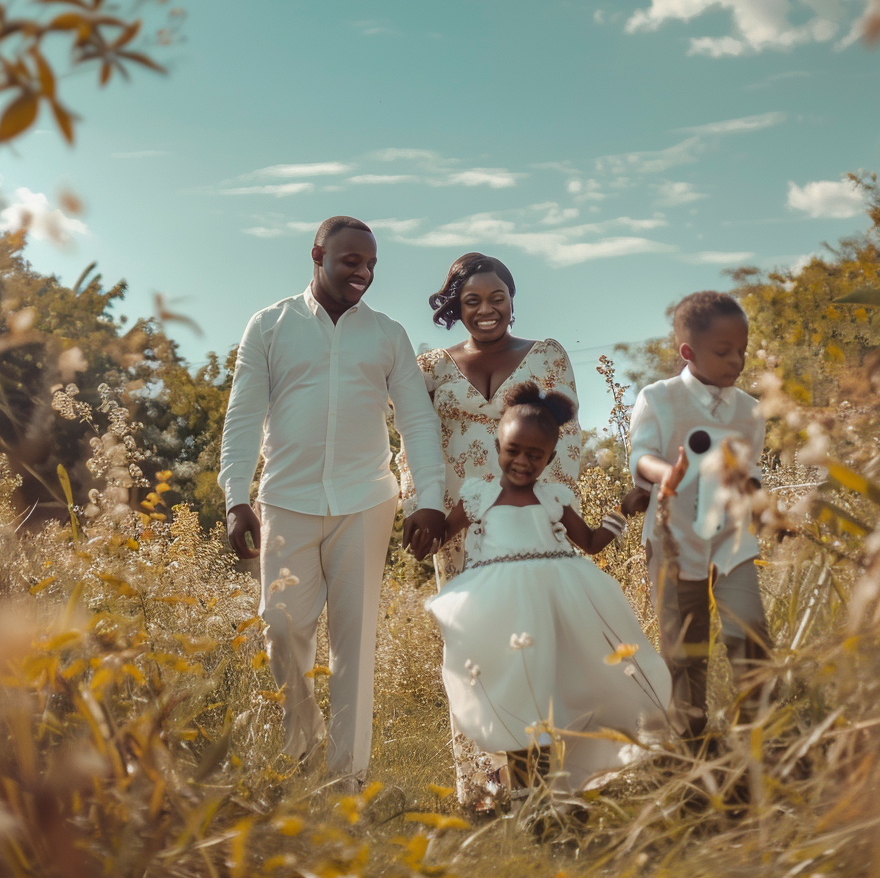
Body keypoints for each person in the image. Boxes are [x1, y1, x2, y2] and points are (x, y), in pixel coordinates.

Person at [218, 216, 446, 785]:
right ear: (318, 254)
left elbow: (417, 422)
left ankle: (347, 778)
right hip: (285, 500)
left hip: (366, 502)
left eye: (371, 264)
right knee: (281, 626)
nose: (364, 272)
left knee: (354, 644)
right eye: (352, 261)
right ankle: (301, 744)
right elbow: (243, 415)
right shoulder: (269, 326)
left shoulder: (388, 334)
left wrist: (430, 500)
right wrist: (234, 495)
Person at [397, 252, 587, 806]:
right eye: (472, 300)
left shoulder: (546, 356)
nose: (486, 310)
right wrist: (421, 509)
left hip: (530, 524)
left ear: (512, 299)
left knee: (532, 647)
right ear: (455, 305)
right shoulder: (430, 367)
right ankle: (484, 791)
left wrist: (550, 505)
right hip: (459, 530)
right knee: (472, 649)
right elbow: (416, 441)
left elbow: (568, 438)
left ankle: (544, 787)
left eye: (497, 297)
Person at [422, 382, 672, 796]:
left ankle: (558, 793)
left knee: (557, 692)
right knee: (517, 697)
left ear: (550, 458)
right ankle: (525, 797)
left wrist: (622, 511)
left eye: (534, 456)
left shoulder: (554, 498)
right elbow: (442, 536)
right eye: (512, 450)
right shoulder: (477, 497)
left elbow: (590, 543)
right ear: (497, 444)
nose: (521, 462)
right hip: (500, 609)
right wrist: (423, 533)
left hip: (558, 603)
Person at [629, 290, 771, 741]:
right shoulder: (659, 399)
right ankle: (690, 739)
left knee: (749, 631)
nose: (737, 361)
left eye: (742, 350)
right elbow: (640, 456)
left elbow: (750, 471)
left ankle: (756, 731)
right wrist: (666, 473)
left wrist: (764, 507)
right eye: (723, 351)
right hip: (675, 539)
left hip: (732, 540)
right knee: (684, 644)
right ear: (688, 352)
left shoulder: (749, 410)